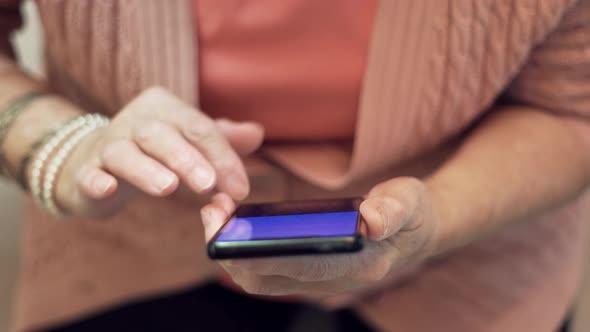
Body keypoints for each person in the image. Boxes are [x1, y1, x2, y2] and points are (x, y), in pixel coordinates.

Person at [1, 0, 589, 331]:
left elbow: (571, 107)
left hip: (476, 241)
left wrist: (439, 217)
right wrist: (59, 146)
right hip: (126, 242)